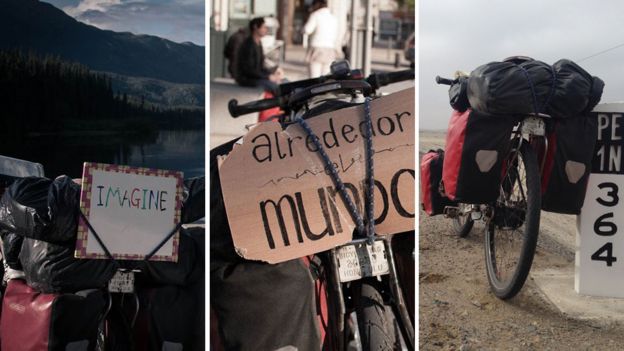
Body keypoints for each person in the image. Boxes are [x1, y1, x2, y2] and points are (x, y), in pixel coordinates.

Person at [235, 17, 283, 94]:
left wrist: (273, 72)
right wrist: (268, 77)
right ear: (255, 27)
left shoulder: (258, 43)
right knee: (276, 87)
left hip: (256, 77)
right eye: (264, 27)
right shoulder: (248, 45)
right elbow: (249, 70)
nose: (266, 29)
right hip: (247, 79)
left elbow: (260, 67)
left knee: (285, 82)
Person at [302, 0, 339, 78]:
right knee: (325, 78)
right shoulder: (333, 18)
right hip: (330, 49)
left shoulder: (315, 15)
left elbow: (307, 30)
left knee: (314, 78)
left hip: (317, 49)